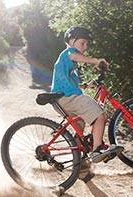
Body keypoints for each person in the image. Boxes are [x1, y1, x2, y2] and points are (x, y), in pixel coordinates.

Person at [51, 27, 123, 163]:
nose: (85, 47)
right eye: (82, 43)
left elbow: (72, 82)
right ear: (72, 41)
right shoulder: (68, 53)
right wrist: (96, 61)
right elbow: (75, 55)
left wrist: (86, 85)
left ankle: (79, 162)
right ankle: (97, 150)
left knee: (80, 125)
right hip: (67, 97)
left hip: (63, 99)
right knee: (100, 115)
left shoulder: (70, 63)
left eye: (87, 45)